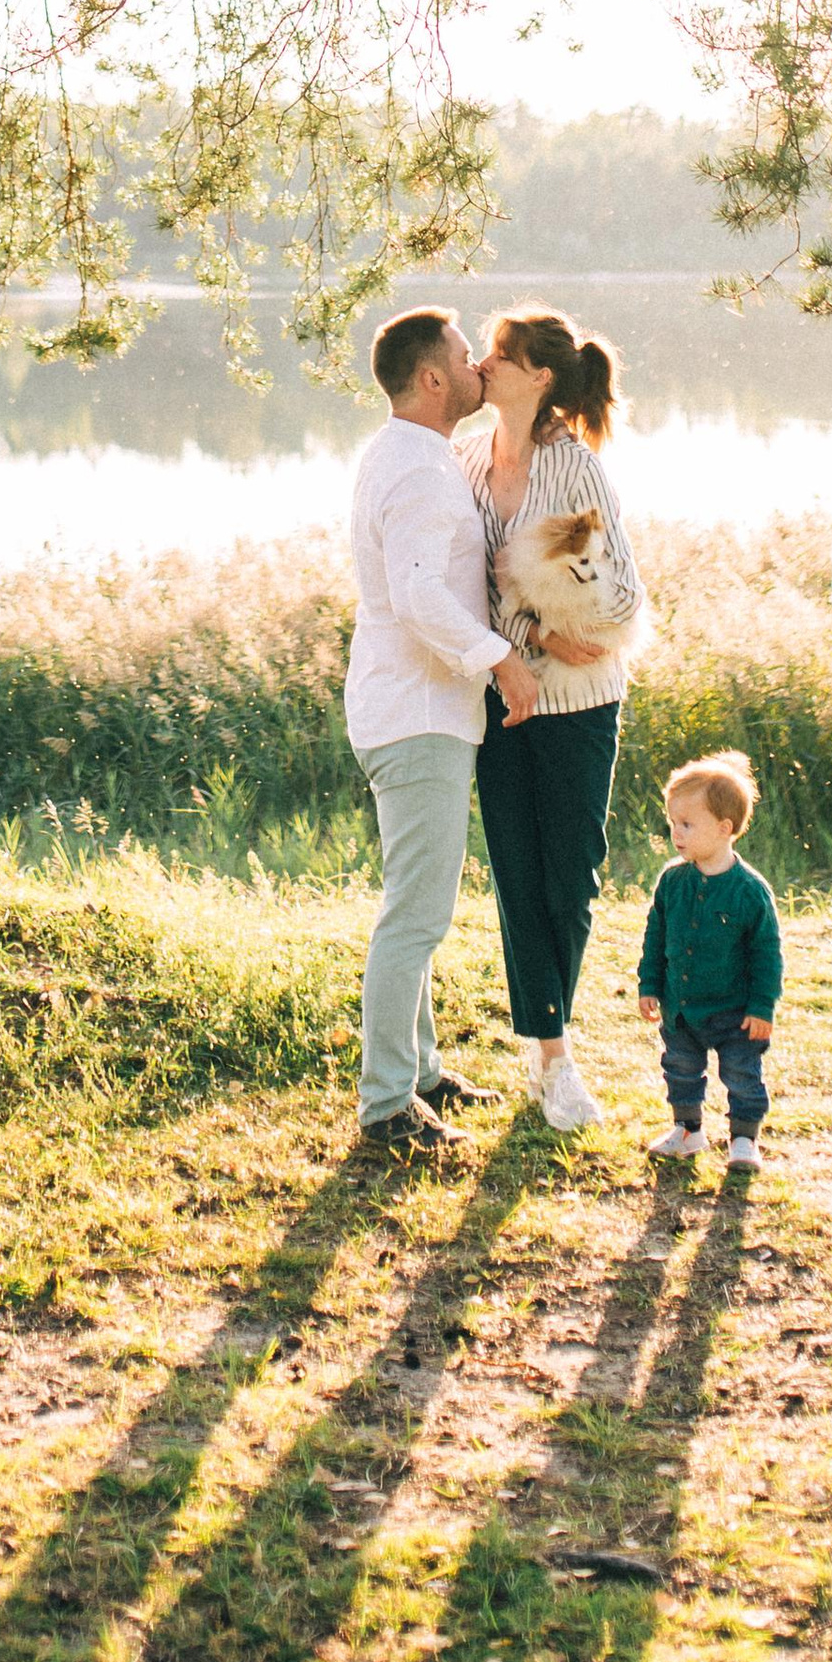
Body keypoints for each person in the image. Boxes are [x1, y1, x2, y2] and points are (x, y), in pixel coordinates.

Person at [345, 306, 543, 1155]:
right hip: (419, 714)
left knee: (417, 907)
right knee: (416, 917)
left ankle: (422, 1076)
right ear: (433, 378)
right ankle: (387, 1105)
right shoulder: (422, 473)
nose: (477, 367)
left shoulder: (402, 454)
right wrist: (501, 658)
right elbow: (421, 595)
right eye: (466, 357)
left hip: (409, 708)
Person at [458, 307, 644, 1132]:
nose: (485, 364)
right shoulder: (465, 460)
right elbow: (473, 591)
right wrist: (530, 631)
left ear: (539, 377)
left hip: (579, 703)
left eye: (502, 355)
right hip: (497, 702)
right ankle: (554, 1055)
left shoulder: (573, 471)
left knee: (568, 880)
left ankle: (547, 1040)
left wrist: (556, 622)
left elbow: (624, 598)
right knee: (516, 876)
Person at [637, 748, 783, 1171]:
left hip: (736, 1012)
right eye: (671, 823)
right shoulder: (672, 881)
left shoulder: (749, 891)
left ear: (724, 828)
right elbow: (656, 935)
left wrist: (761, 1006)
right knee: (680, 1068)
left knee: (742, 1074)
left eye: (686, 824)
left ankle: (743, 1140)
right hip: (682, 1006)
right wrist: (650, 985)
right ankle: (687, 1130)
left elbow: (766, 955)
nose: (676, 833)